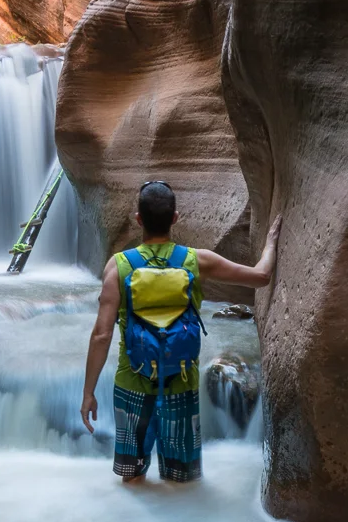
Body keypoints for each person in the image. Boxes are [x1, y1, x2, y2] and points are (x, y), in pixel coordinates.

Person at [79, 180, 283, 483]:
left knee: (132, 478)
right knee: (180, 481)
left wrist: (88, 392)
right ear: (175, 218)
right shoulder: (196, 260)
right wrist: (270, 243)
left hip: (132, 383)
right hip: (182, 383)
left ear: (138, 219)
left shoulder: (118, 267)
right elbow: (261, 276)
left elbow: (101, 335)